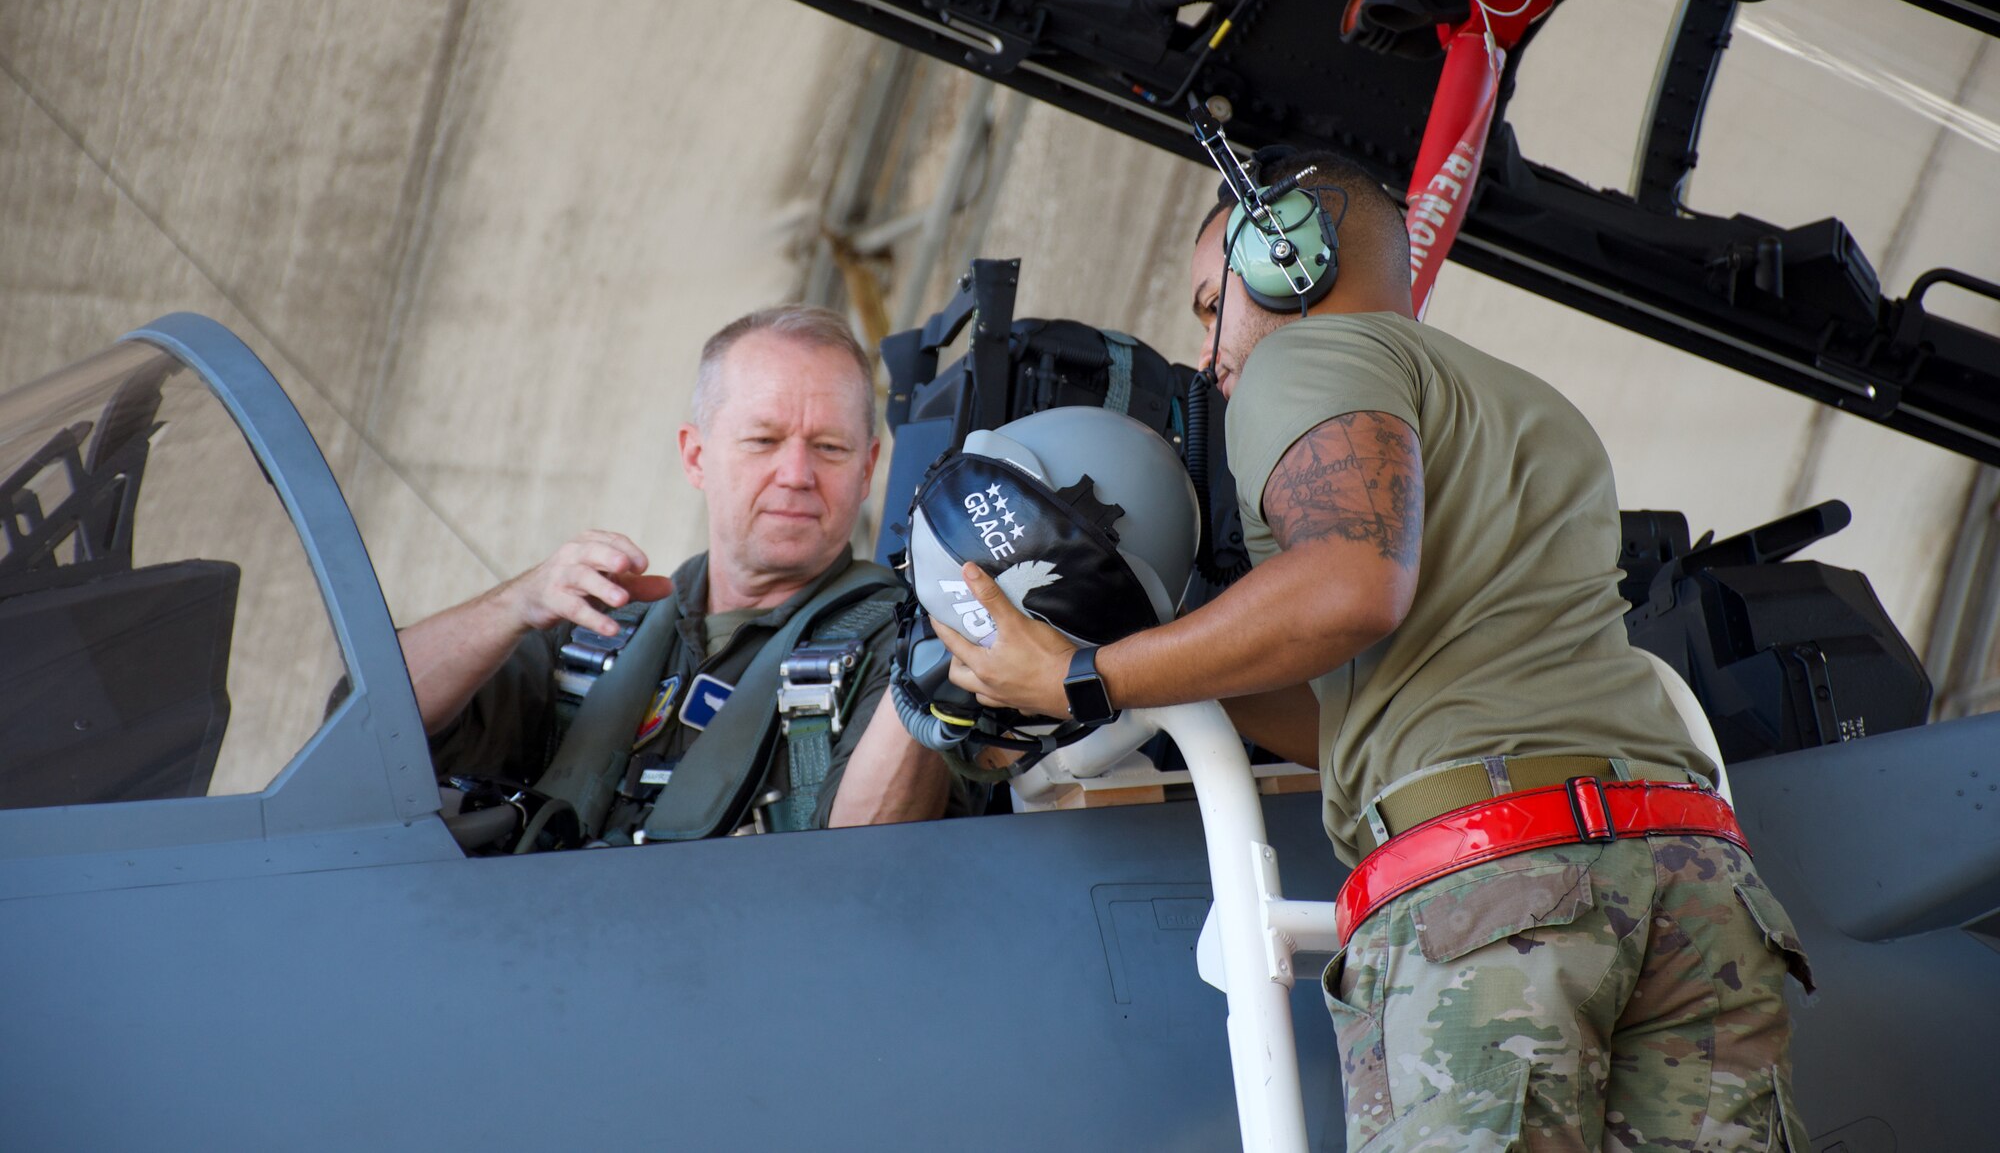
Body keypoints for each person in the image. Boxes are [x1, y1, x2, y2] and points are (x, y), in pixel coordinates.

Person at [936, 155, 1813, 1150]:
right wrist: (1158, 662)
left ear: (1286, 265)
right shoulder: (1521, 405)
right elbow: (1363, 714)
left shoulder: (1303, 361)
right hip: (1686, 874)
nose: (1207, 354)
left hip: (1506, 893)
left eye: (1208, 303)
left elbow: (1351, 583)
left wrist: (1078, 679)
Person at [402, 304, 954, 838]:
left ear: (866, 470)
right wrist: (514, 605)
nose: (796, 473)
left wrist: (945, 645)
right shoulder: (594, 629)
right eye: (763, 440)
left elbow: (874, 855)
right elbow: (375, 719)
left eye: (829, 448)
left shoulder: (911, 644)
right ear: (695, 457)